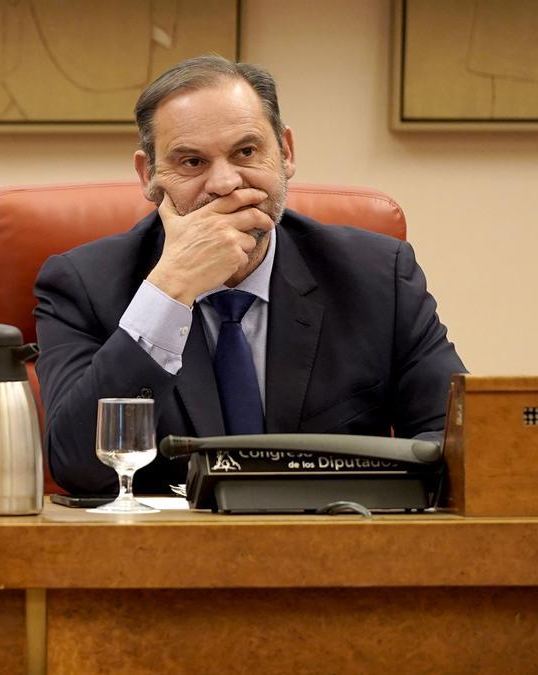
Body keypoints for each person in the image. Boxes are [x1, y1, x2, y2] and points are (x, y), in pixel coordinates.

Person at [34, 56, 465, 496]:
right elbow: (78, 468)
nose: (224, 183)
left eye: (245, 151)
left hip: (335, 545)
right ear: (149, 176)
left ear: (286, 152)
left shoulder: (377, 276)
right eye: (191, 162)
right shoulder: (83, 284)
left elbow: (455, 445)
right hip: (163, 557)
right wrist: (169, 291)